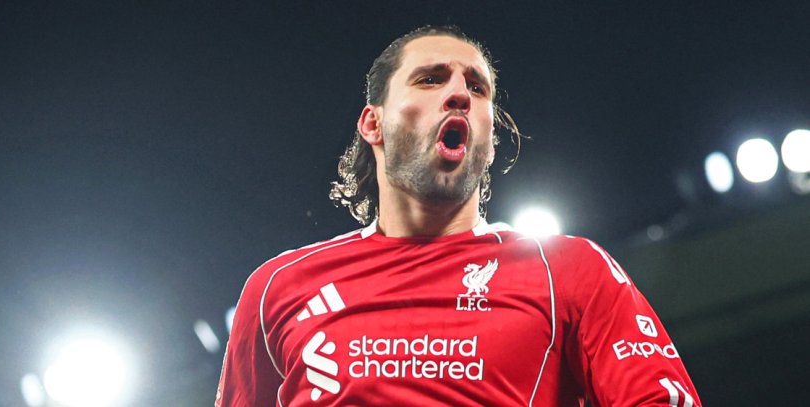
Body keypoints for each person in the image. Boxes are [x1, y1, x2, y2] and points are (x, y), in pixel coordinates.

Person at [216, 25, 701, 407]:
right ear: (373, 122)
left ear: (489, 140)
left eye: (477, 87)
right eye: (430, 78)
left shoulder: (569, 270)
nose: (460, 94)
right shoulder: (277, 289)